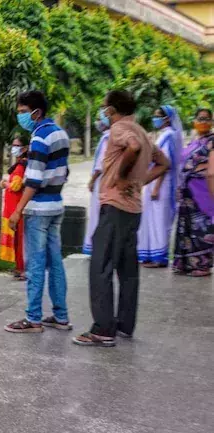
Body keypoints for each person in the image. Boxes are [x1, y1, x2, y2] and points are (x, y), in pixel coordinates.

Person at [73, 90, 170, 347]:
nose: (104, 113)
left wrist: (122, 175)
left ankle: (103, 329)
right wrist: (139, 182)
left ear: (113, 109)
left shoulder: (120, 130)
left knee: (101, 265)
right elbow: (164, 163)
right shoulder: (143, 132)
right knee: (127, 269)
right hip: (133, 209)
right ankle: (125, 324)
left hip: (115, 206)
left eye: (105, 108)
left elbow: (133, 148)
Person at [5, 90, 72, 334]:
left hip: (39, 209)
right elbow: (64, 173)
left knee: (34, 264)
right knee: (55, 264)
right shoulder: (61, 134)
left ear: (36, 112)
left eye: (23, 112)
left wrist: (17, 211)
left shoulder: (39, 137)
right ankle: (61, 315)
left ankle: (33, 318)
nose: (20, 116)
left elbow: (33, 179)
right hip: (56, 205)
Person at [137, 105, 183, 268]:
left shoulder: (169, 136)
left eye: (158, 116)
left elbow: (166, 163)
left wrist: (156, 187)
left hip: (162, 184)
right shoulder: (165, 135)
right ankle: (150, 254)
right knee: (150, 218)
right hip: (155, 183)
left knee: (159, 220)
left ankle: (159, 257)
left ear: (167, 118)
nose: (154, 119)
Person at [174, 109, 214, 276]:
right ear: (194, 121)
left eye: (206, 119)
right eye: (200, 118)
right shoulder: (194, 142)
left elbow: (212, 171)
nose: (203, 121)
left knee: (202, 226)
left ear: (212, 122)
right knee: (187, 226)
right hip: (187, 192)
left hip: (203, 190)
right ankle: (186, 263)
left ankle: (202, 264)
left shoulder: (212, 141)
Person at [0, 135, 29, 280]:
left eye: (17, 145)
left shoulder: (22, 165)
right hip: (13, 206)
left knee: (19, 239)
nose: (14, 148)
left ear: (25, 148)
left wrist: (5, 184)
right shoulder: (19, 164)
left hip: (16, 207)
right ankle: (18, 267)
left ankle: (22, 269)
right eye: (13, 145)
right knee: (16, 239)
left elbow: (16, 186)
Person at [83, 119, 111, 255]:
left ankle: (98, 247)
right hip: (107, 180)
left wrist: (92, 180)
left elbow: (100, 164)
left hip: (101, 181)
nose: (98, 121)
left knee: (97, 213)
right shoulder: (109, 136)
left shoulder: (108, 138)